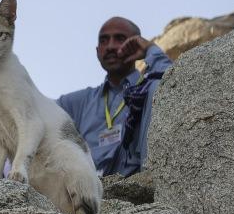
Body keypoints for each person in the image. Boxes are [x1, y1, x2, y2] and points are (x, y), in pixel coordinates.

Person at [58, 16, 172, 177]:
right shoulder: (80, 102)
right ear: (97, 51)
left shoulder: (146, 92)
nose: (111, 46)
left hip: (137, 188)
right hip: (89, 190)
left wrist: (150, 49)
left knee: (156, 87)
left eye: (120, 38)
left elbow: (174, 83)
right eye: (104, 40)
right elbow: (35, 112)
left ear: (135, 43)